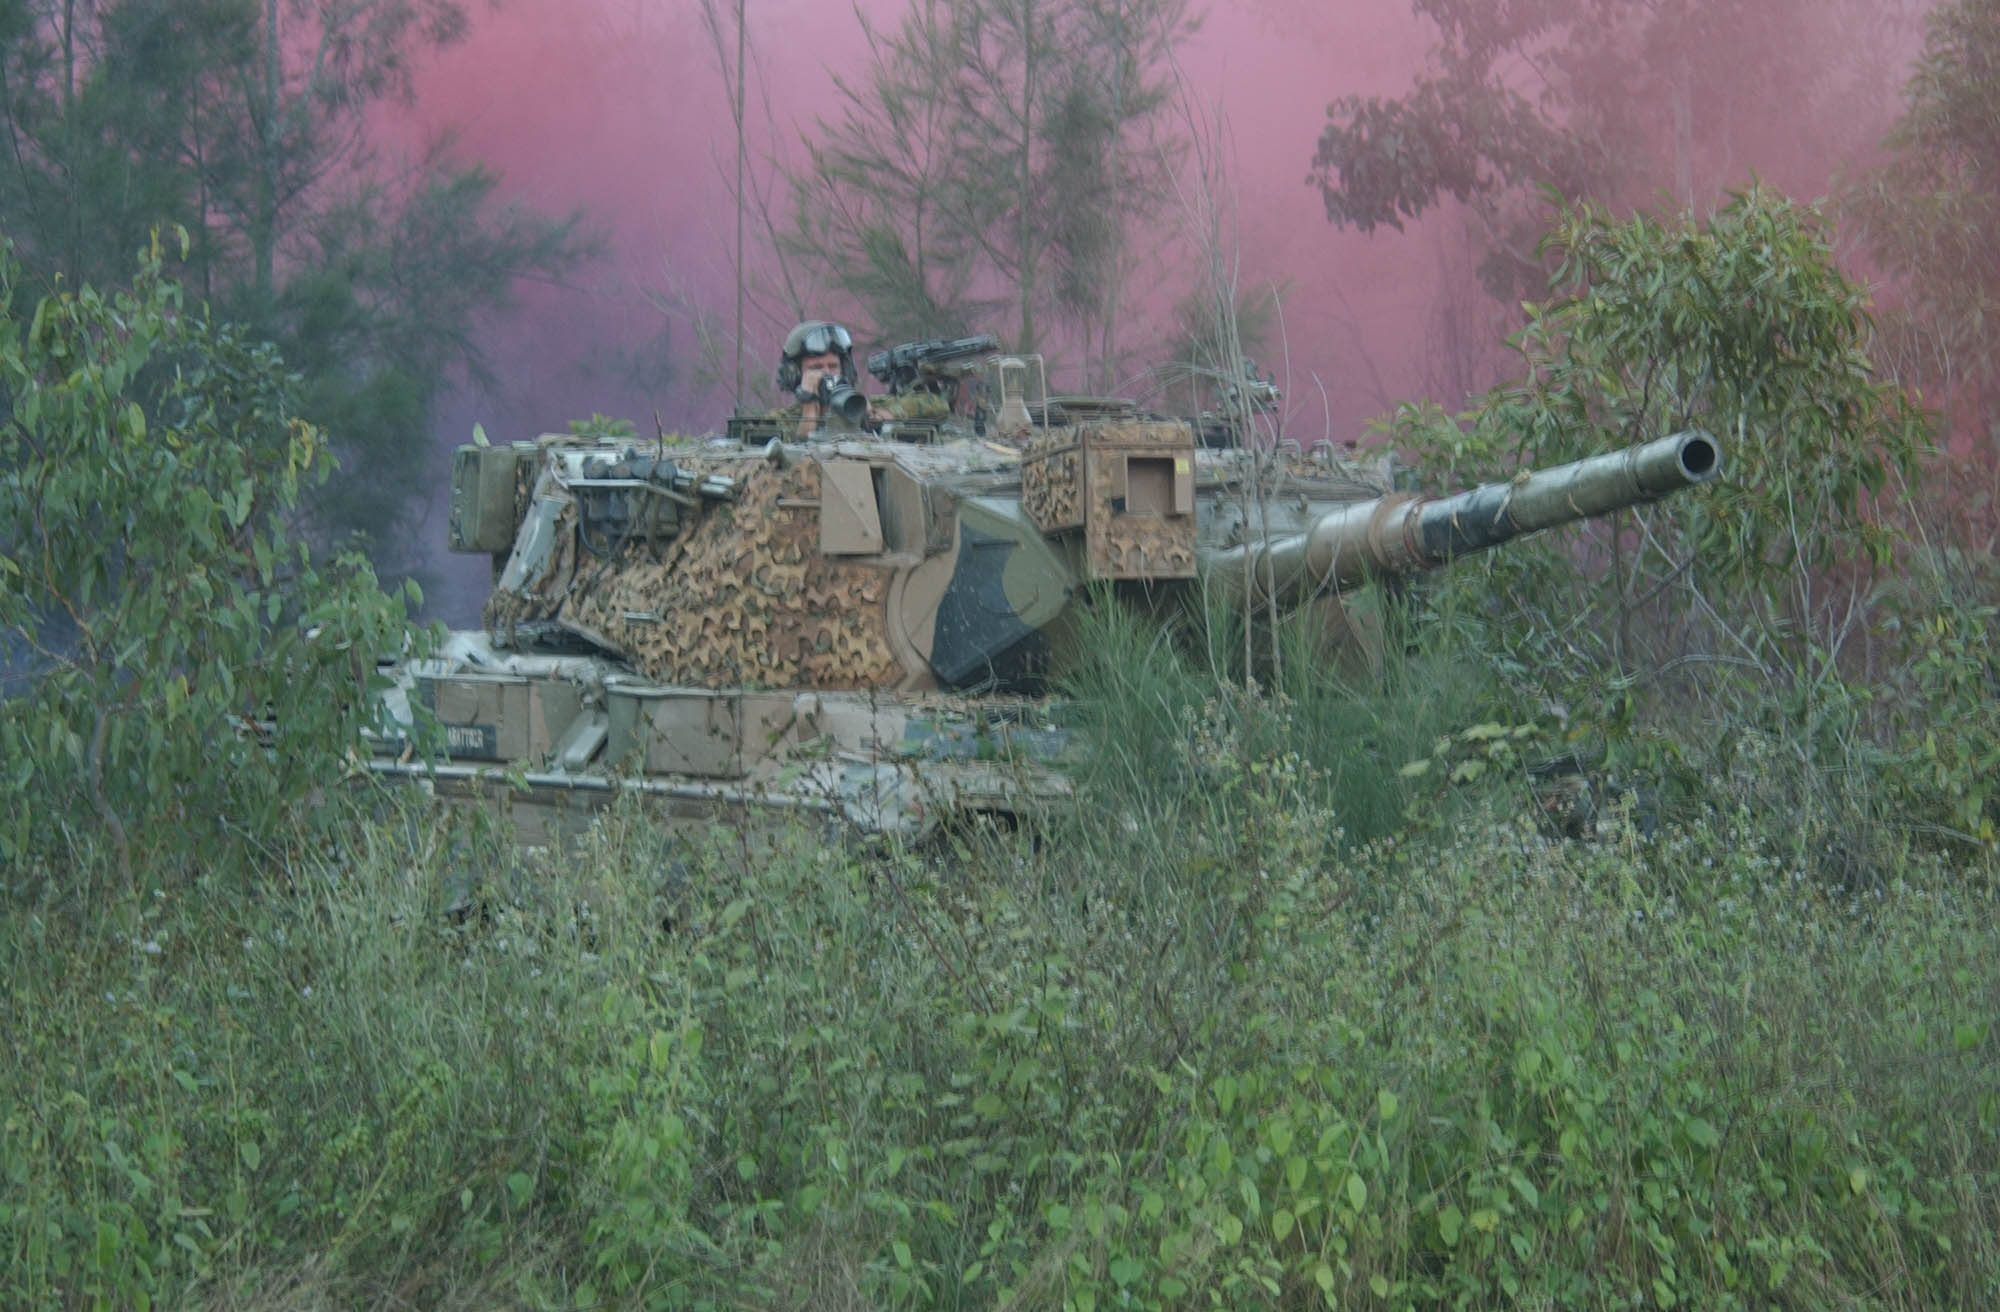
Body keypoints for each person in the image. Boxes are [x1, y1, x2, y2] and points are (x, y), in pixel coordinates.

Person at [772, 319, 948, 439]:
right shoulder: (782, 420)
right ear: (795, 375)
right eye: (816, 368)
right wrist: (809, 410)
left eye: (833, 366)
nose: (827, 374)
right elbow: (798, 452)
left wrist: (882, 415)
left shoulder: (864, 405)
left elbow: (936, 404)